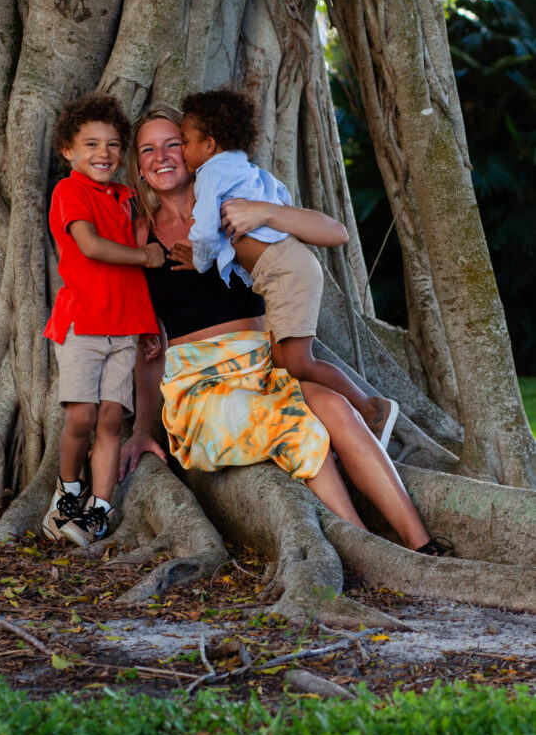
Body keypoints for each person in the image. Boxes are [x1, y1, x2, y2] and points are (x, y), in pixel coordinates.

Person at [120, 105, 453, 557]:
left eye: (172, 144)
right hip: (200, 387)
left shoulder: (235, 200)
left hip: (262, 366)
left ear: (199, 149)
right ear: (138, 165)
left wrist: (265, 213)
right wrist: (142, 427)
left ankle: (425, 545)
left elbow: (333, 232)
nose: (162, 156)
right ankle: (370, 549)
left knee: (335, 408)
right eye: (148, 149)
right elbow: (147, 343)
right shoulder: (139, 233)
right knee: (294, 424)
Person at [180, 88, 398, 448]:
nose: (183, 150)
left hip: (284, 270)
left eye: (185, 141)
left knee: (297, 363)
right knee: (282, 361)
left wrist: (199, 261)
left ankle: (372, 410)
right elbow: (279, 202)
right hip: (284, 269)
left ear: (209, 144)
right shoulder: (250, 172)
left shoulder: (211, 174)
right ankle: (329, 425)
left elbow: (204, 231)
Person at [41, 92, 164, 547]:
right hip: (82, 326)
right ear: (68, 151)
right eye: (91, 144)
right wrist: (144, 255)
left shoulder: (126, 198)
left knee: (112, 419)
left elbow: (133, 282)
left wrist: (148, 324)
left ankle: (99, 509)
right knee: (81, 416)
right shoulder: (69, 191)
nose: (103, 154)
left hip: (125, 328)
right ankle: (68, 491)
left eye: (113, 145)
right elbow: (90, 247)